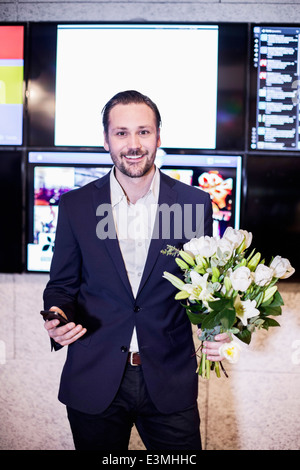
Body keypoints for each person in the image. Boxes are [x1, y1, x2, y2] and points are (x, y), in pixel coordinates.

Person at [43, 90, 230, 450]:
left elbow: (205, 286)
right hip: (94, 377)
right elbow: (62, 285)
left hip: (169, 380)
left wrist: (217, 326)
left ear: (159, 136)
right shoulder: (77, 205)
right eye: (121, 133)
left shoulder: (193, 203)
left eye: (143, 132)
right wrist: (57, 315)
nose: (133, 144)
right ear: (106, 140)